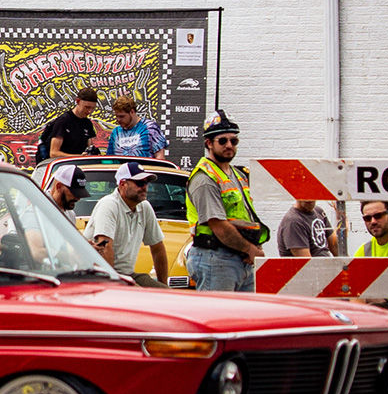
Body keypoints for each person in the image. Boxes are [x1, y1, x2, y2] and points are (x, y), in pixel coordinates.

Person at [184, 109, 268, 293]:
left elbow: (246, 217)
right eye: (222, 141)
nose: (229, 145)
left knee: (243, 319)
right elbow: (218, 225)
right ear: (209, 143)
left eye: (234, 141)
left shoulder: (237, 174)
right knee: (217, 317)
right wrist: (250, 249)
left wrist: (252, 248)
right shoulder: (205, 178)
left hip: (239, 257)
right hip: (215, 259)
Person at [86, 160, 168, 286]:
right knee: (144, 300)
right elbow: (105, 248)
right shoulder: (109, 205)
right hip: (99, 275)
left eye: (146, 182)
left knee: (168, 296)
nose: (145, 187)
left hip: (127, 274)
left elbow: (158, 248)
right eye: (139, 183)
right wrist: (113, 287)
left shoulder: (144, 207)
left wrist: (163, 284)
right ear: (122, 184)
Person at [39, 89, 99, 160]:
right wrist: (79, 157)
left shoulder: (87, 123)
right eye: (87, 107)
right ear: (78, 101)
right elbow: (53, 153)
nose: (89, 111)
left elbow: (90, 146)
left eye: (93, 108)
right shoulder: (63, 121)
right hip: (61, 166)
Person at [104, 96, 168, 160]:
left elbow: (160, 157)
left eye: (122, 116)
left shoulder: (150, 128)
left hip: (144, 169)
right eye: (116, 116)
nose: (118, 120)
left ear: (132, 112)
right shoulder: (116, 132)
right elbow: (109, 159)